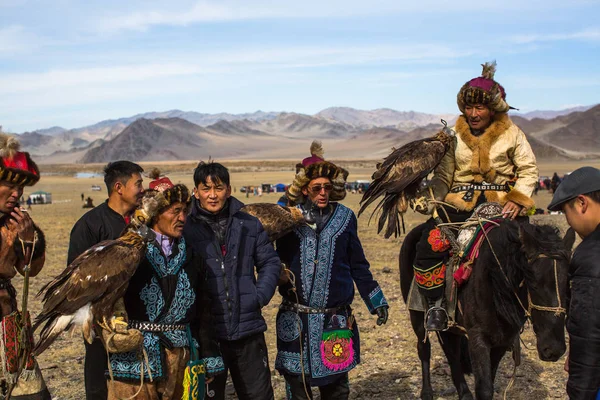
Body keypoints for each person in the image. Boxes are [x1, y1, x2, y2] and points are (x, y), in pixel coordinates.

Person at [413, 61, 538, 331]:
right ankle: (436, 305)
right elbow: (444, 177)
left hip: (503, 205)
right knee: (428, 245)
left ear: (493, 109)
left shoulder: (513, 134)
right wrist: (431, 200)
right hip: (458, 203)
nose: (473, 113)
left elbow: (528, 170)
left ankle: (535, 308)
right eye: (468, 107)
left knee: (532, 253)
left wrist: (519, 198)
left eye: (479, 107)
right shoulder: (453, 135)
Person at [275, 142, 389, 400]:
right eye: (316, 188)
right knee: (298, 387)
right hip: (297, 320)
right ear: (305, 189)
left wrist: (376, 301)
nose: (323, 193)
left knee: (337, 389)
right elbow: (269, 257)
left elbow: (358, 265)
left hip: (333, 320)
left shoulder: (346, 217)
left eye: (327, 187)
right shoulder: (287, 218)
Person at [104, 179, 224, 399]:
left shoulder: (192, 254)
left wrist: (209, 356)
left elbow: (204, 310)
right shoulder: (129, 251)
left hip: (182, 358)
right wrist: (114, 333)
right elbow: (108, 301)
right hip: (136, 360)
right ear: (156, 213)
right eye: (175, 211)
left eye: (185, 212)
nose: (182, 218)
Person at [183, 162, 281, 400]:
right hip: (207, 334)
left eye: (218, 188)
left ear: (228, 189)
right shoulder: (186, 228)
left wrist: (258, 297)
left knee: (258, 395)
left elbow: (270, 262)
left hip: (248, 329)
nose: (213, 195)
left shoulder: (248, 223)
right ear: (195, 192)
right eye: (206, 189)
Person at [68, 161, 144, 400]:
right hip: (103, 325)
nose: (143, 189)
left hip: (142, 321)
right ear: (119, 187)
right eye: (138, 184)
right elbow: (75, 281)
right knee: (101, 386)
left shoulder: (143, 224)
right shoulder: (89, 226)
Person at [0, 133, 50, 398]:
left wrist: (30, 240)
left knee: (32, 393)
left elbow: (30, 270)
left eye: (20, 188)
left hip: (7, 321)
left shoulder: (13, 222)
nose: (17, 194)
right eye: (9, 185)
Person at [548, 166, 600, 399]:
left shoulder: (592, 257)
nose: (569, 221)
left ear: (581, 203)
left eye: (565, 212)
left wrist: (580, 393)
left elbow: (590, 336)